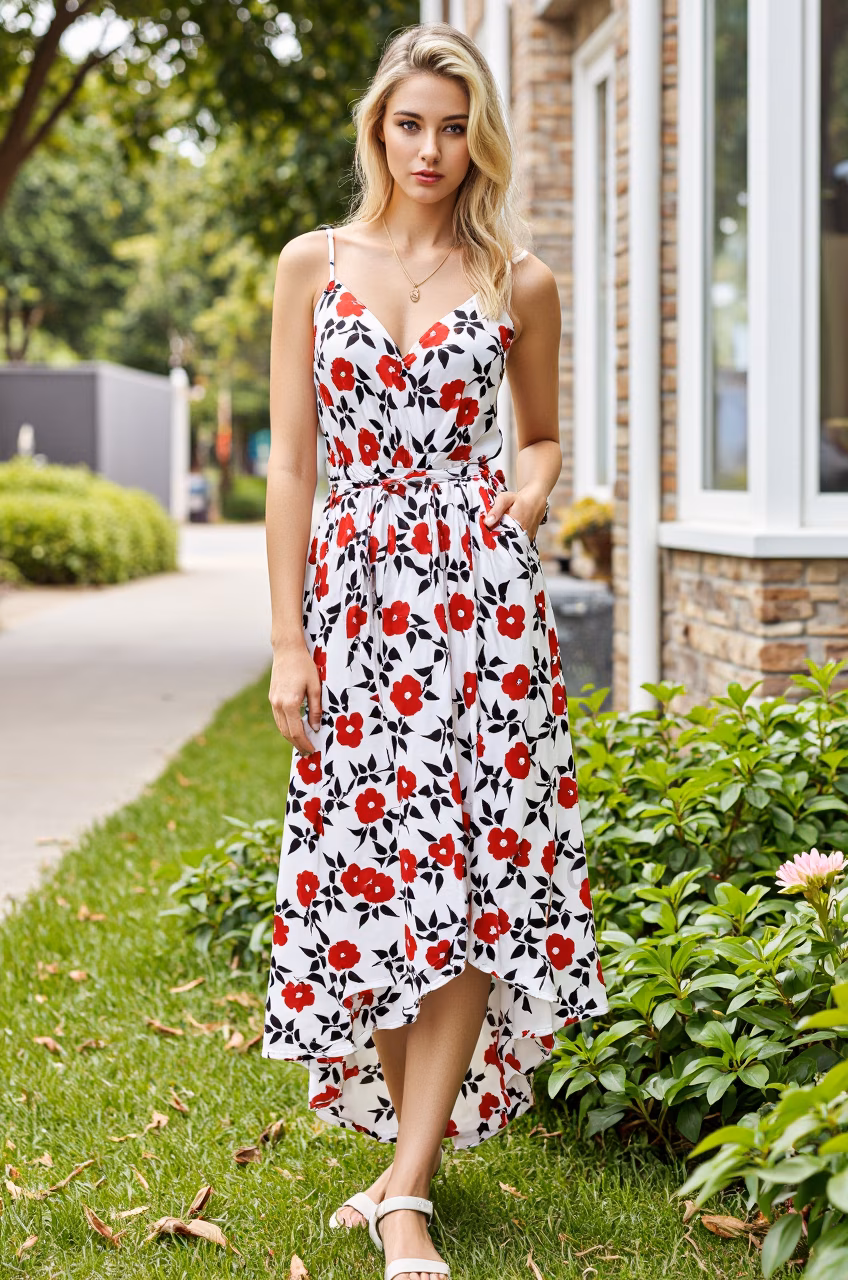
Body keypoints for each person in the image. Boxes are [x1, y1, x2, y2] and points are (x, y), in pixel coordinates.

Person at [261, 21, 608, 1280]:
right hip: (355, 615)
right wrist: (288, 640)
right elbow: (291, 462)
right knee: (386, 882)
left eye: (454, 127)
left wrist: (520, 496)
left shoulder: (518, 277)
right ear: (375, 127)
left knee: (459, 885)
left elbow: (540, 439)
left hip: (480, 619)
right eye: (410, 123)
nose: (431, 149)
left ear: (481, 138)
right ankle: (403, 1163)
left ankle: (405, 1188)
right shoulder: (313, 264)